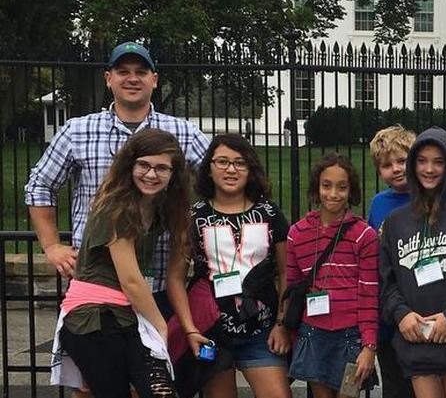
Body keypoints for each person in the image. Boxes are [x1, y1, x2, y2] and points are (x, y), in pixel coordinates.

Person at [26, 42, 209, 291]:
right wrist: (52, 246)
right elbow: (40, 185)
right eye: (123, 72)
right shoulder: (77, 130)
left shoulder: (184, 133)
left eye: (141, 72)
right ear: (108, 79)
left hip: (161, 282)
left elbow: (217, 181)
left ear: (154, 80)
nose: (132, 79)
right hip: (96, 281)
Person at [51, 128, 190, 397]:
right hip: (94, 319)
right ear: (129, 165)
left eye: (162, 168)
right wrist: (161, 326)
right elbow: (131, 281)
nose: (151, 174)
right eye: (144, 165)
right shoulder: (117, 208)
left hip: (129, 315)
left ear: (174, 175)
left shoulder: (158, 209)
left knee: (160, 392)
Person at [166, 134, 292, 398]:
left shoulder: (269, 212)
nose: (231, 169)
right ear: (209, 168)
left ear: (250, 170)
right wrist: (189, 329)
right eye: (222, 161)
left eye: (239, 163)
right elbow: (175, 278)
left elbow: (285, 272)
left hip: (262, 329)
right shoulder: (195, 216)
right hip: (212, 329)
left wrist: (282, 323)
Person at [379, 128, 446, 398]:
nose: (429, 169)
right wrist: (401, 314)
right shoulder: (395, 222)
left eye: (439, 161)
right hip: (415, 337)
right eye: (422, 160)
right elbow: (385, 280)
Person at [286, 154, 379, 398]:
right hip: (313, 334)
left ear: (351, 191)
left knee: (349, 395)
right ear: (317, 187)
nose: (333, 194)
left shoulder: (364, 236)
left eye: (342, 187)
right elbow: (292, 288)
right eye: (326, 185)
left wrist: (369, 346)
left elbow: (369, 294)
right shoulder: (297, 234)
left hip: (351, 338)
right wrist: (283, 326)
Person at [366, 124, 418, 398]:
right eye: (387, 164)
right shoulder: (378, 204)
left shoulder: (431, 197)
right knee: (395, 385)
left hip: (423, 303)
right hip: (389, 312)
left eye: (402, 160)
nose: (396, 169)